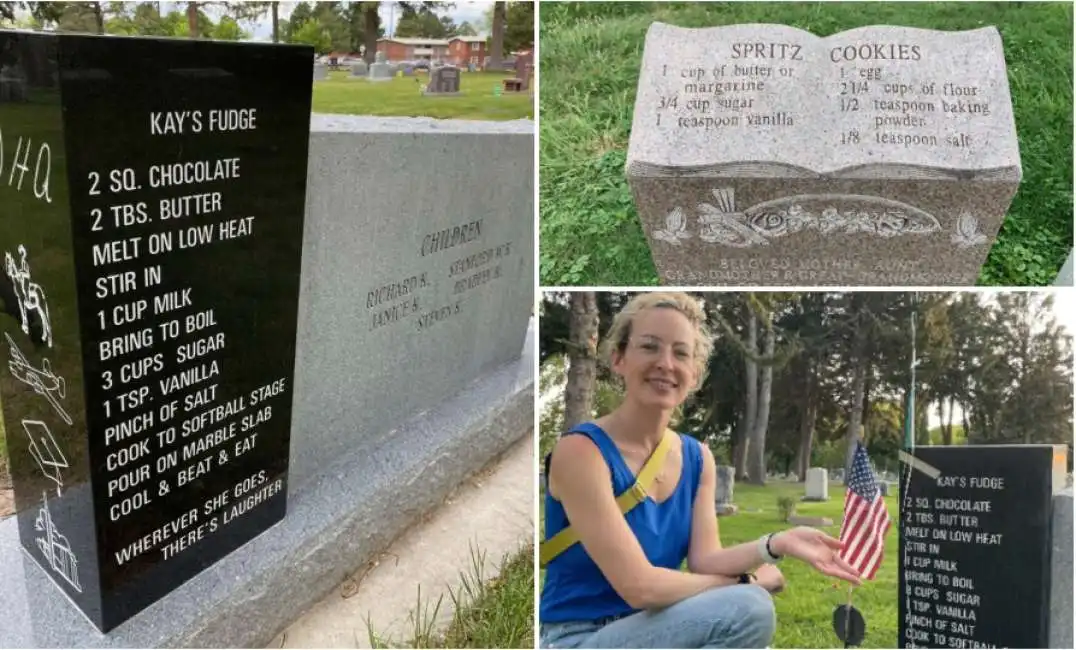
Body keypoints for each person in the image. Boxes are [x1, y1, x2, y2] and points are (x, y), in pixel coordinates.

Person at [539, 292, 862, 649]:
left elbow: (705, 560)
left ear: (694, 374)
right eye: (649, 347)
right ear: (619, 358)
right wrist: (744, 584)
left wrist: (777, 543)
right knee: (748, 607)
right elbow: (639, 586)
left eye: (680, 353)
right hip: (578, 636)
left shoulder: (696, 458)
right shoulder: (582, 452)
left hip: (658, 627)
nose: (665, 363)